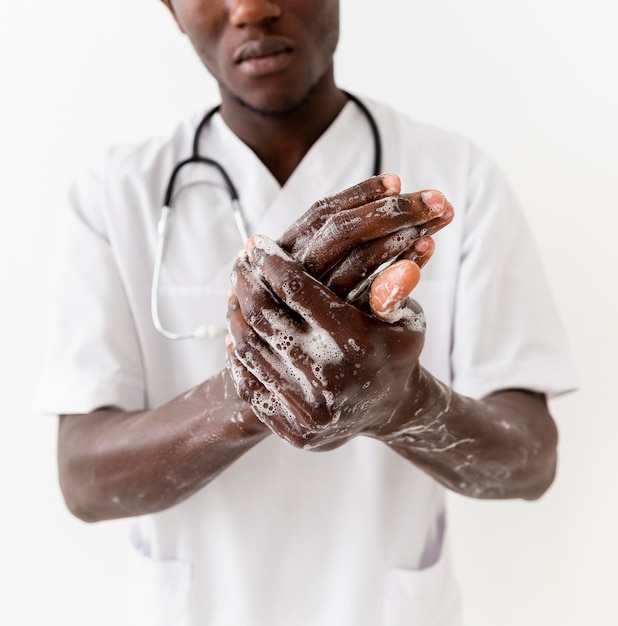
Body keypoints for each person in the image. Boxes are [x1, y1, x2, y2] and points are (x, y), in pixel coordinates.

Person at [34, 1, 577, 624]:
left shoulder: (459, 181)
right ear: (171, 10)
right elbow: (83, 480)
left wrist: (400, 403)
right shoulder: (114, 195)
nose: (251, 8)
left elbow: (531, 461)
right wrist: (257, 388)